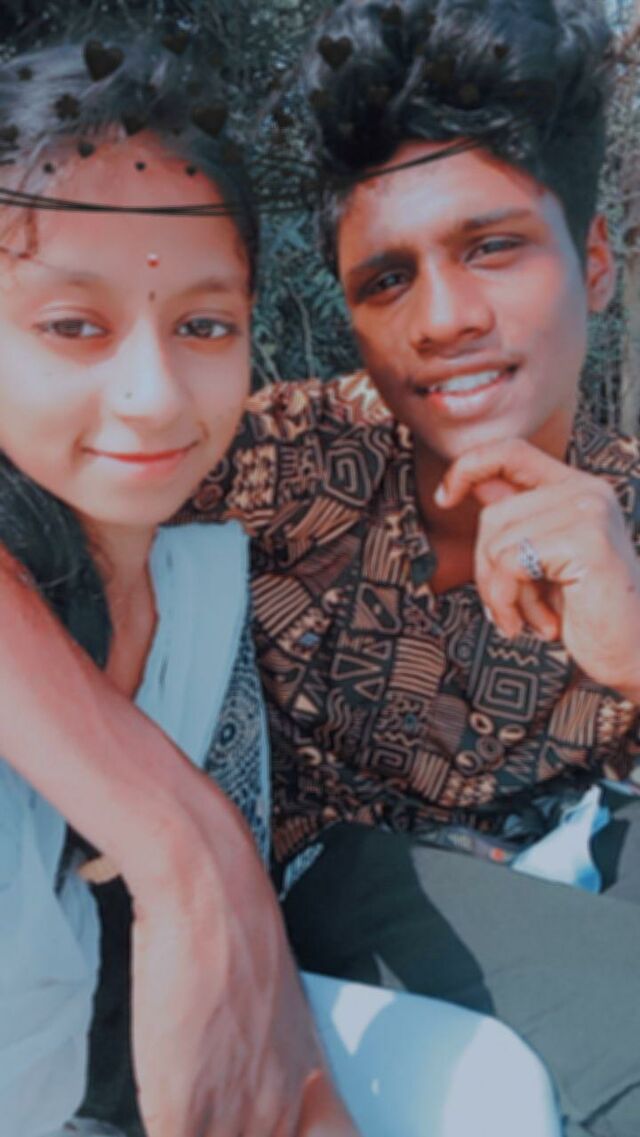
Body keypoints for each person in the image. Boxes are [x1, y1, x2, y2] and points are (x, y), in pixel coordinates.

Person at [0, 12, 563, 1137]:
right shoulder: (268, 472)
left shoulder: (203, 574)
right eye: (72, 324)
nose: (154, 395)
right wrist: (184, 842)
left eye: (206, 325)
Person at [172, 2, 640, 1134]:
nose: (441, 319)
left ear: (593, 260)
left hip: (576, 845)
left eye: (493, 247)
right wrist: (150, 816)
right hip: (341, 881)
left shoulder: (624, 503)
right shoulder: (282, 462)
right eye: (386, 279)